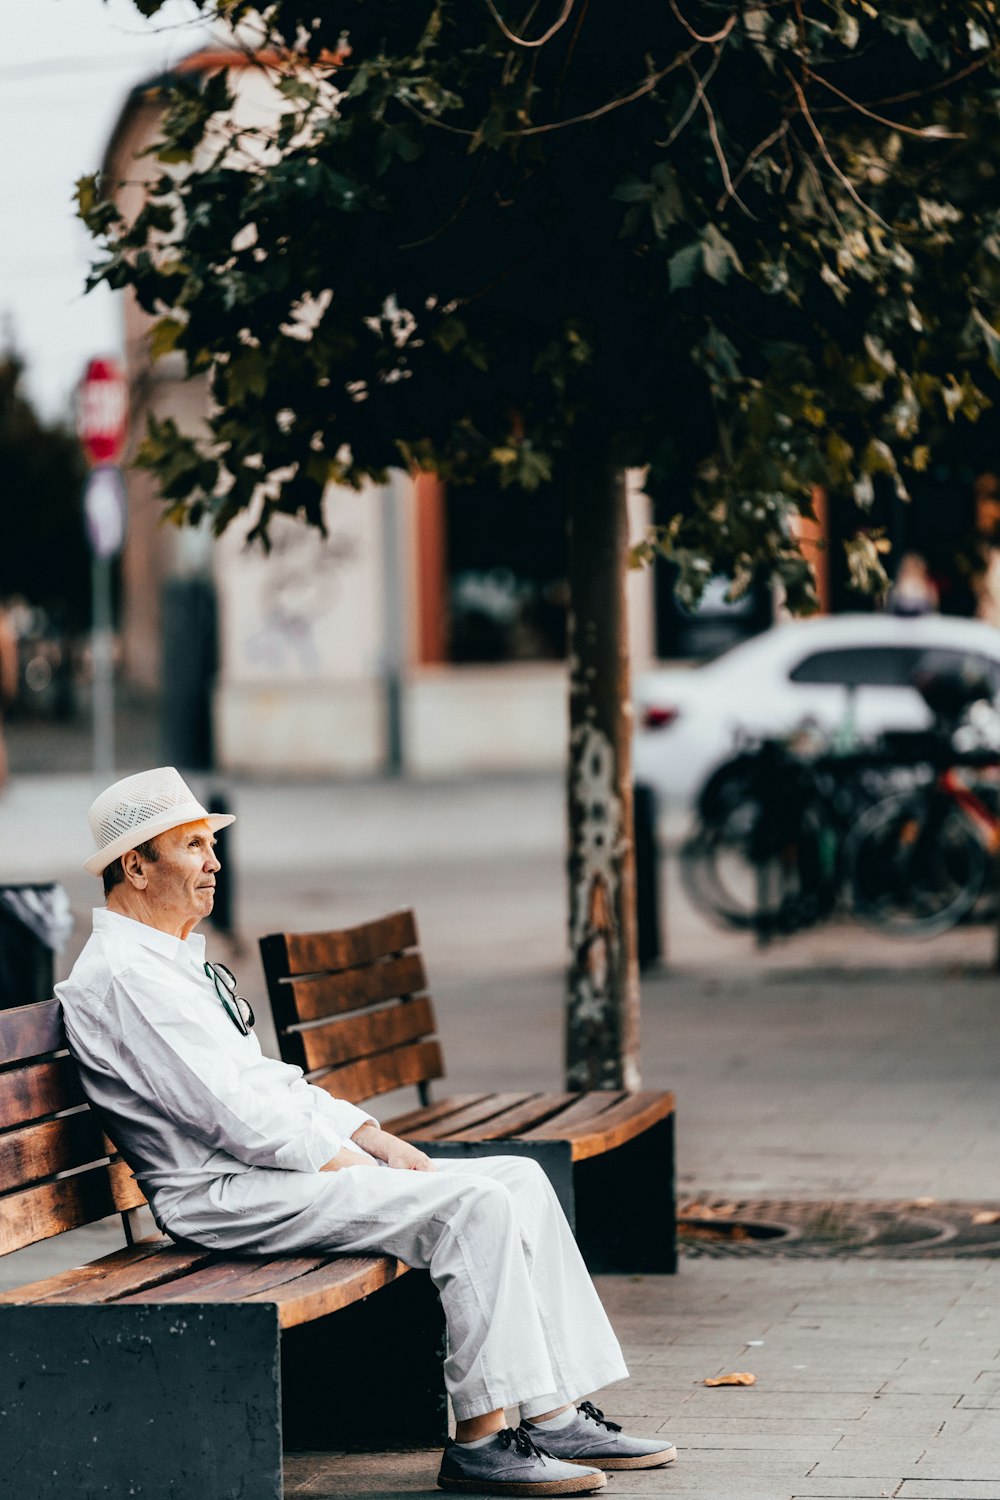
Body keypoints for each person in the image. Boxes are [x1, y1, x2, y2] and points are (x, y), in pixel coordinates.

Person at [57, 766, 677, 1497]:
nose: (215, 862)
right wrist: (352, 1162)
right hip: (223, 1195)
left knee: (519, 1179)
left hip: (265, 1175)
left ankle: (552, 1411)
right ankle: (481, 1438)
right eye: (193, 846)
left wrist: (373, 1138)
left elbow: (264, 1085)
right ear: (136, 865)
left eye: (209, 844)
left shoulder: (165, 961)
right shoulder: (126, 978)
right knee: (471, 1207)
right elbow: (238, 1118)